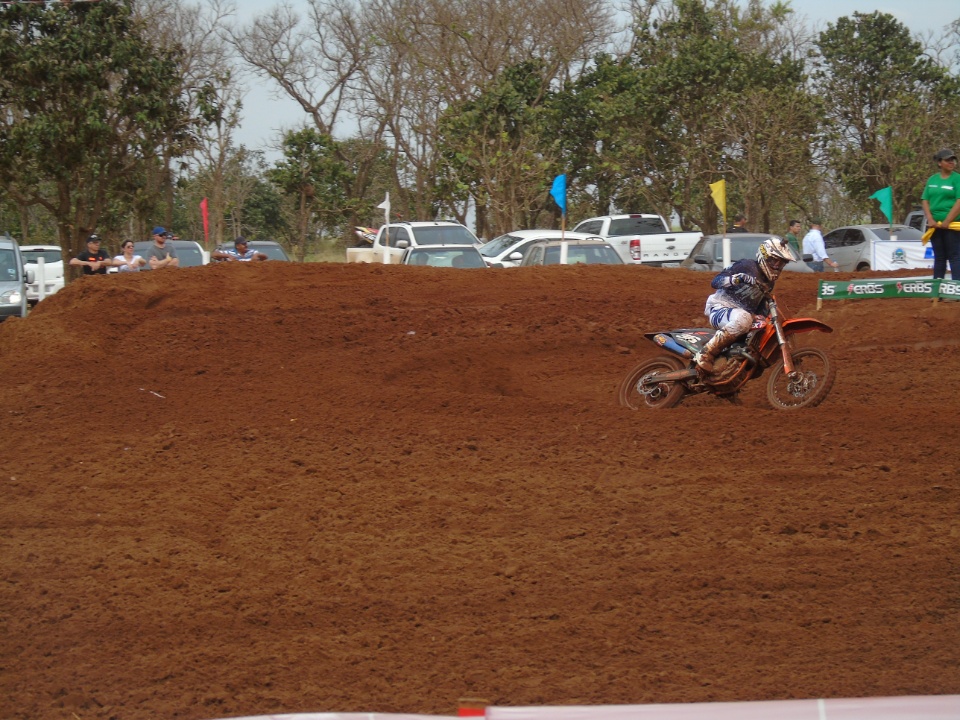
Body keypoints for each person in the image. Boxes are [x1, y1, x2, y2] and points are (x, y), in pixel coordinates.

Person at [696, 236, 799, 373]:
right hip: (719, 307)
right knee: (744, 318)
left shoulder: (769, 283)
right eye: (774, 261)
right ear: (765, 256)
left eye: (781, 264)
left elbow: (760, 303)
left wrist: (763, 315)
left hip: (740, 315)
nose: (777, 266)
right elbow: (715, 282)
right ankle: (705, 353)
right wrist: (737, 278)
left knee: (762, 330)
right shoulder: (746, 266)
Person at [921, 148, 960, 280]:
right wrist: (930, 219)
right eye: (947, 160)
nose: (951, 162)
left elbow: (959, 202)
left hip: (952, 225)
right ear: (939, 163)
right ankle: (937, 291)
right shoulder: (932, 180)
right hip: (935, 226)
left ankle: (957, 291)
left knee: (955, 257)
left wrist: (947, 221)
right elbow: (925, 199)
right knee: (939, 257)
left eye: (952, 160)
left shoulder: (957, 179)